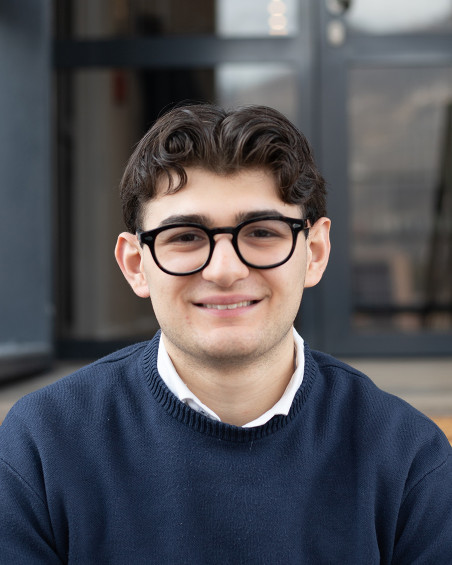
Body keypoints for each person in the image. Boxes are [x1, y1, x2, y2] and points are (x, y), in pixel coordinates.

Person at [0, 103, 451, 564]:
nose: (224, 270)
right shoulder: (43, 445)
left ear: (314, 252)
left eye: (262, 232)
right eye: (185, 236)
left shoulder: (407, 457)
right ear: (136, 264)